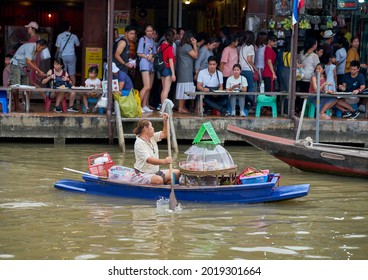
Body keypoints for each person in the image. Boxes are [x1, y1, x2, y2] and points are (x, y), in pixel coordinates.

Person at [132, 113, 180, 185]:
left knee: (177, 173)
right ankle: (161, 186)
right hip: (143, 173)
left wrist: (165, 122)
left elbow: (164, 134)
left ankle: (166, 188)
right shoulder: (139, 143)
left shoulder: (152, 137)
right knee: (159, 180)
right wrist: (164, 161)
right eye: (151, 127)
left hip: (156, 172)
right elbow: (149, 160)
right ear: (146, 129)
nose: (153, 128)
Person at [10, 39, 47, 111]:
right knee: (15, 85)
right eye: (42, 48)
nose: (41, 50)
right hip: (16, 64)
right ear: (38, 45)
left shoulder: (36, 51)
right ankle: (16, 106)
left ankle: (27, 107)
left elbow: (33, 61)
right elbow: (28, 61)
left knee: (26, 87)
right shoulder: (30, 47)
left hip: (24, 67)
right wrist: (38, 70)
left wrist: (39, 71)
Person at [176, 31, 198, 114]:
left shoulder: (180, 45)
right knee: (184, 88)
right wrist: (195, 45)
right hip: (186, 70)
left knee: (182, 87)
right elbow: (195, 55)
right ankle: (181, 108)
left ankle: (182, 106)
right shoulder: (187, 46)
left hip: (182, 69)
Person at [137, 24, 156, 113]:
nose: (149, 33)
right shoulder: (142, 39)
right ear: (145, 31)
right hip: (144, 63)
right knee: (146, 86)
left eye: (151, 31)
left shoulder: (152, 40)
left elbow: (154, 52)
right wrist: (147, 56)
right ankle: (138, 105)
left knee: (150, 87)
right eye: (148, 31)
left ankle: (144, 105)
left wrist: (152, 56)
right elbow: (139, 53)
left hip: (151, 64)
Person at [55, 21, 80, 86]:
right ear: (69, 27)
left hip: (62, 56)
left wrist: (57, 57)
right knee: (72, 74)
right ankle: (73, 88)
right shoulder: (74, 36)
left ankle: (63, 87)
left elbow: (58, 48)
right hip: (71, 56)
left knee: (63, 73)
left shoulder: (59, 36)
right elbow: (78, 45)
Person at [158, 29, 176, 111]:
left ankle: (162, 106)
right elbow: (171, 61)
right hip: (167, 68)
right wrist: (173, 74)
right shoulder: (170, 47)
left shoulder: (162, 45)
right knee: (166, 89)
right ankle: (163, 108)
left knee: (163, 89)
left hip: (162, 68)